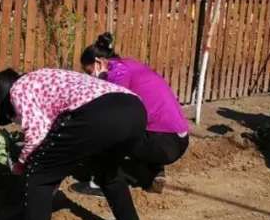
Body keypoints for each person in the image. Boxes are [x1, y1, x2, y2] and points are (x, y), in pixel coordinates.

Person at [0, 67, 148, 220]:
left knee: (39, 178)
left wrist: (21, 163)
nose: (13, 116)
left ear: (5, 95)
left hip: (97, 114)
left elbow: (37, 135)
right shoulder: (44, 78)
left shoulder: (18, 89)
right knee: (107, 169)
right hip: (135, 110)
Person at [80, 32, 190, 193]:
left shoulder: (117, 73)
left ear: (98, 62)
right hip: (178, 138)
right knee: (136, 122)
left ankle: (101, 182)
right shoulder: (129, 64)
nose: (91, 78)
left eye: (89, 72)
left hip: (163, 142)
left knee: (108, 128)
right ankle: (154, 171)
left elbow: (115, 112)